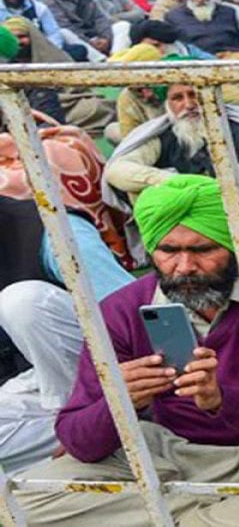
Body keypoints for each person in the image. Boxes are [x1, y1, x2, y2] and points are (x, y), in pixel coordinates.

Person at [14, 176, 239, 524]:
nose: (184, 267)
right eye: (169, 250)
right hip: (166, 452)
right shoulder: (121, 310)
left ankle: (174, 514)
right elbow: (78, 439)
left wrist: (223, 400)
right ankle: (227, 516)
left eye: (203, 249)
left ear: (236, 246)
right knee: (23, 500)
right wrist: (119, 403)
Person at [0, 198, 133, 473]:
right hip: (35, 385)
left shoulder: (49, 229)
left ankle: (88, 428)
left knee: (24, 302)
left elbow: (133, 316)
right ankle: (92, 439)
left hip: (114, 370)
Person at [102, 83, 239, 207]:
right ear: (168, 104)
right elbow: (117, 170)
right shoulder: (162, 136)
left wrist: (222, 183)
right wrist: (181, 184)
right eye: (178, 98)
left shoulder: (237, 126)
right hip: (185, 211)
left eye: (194, 95)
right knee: (140, 191)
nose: (189, 104)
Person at [41, 0, 112, 57]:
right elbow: (64, 25)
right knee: (64, 32)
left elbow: (100, 18)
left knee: (122, 25)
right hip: (76, 38)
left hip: (95, 34)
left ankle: (116, 57)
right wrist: (90, 42)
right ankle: (100, 59)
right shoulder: (49, 0)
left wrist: (106, 38)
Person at [165, 0, 239, 57]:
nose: (200, 0)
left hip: (232, 54)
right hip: (196, 58)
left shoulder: (228, 12)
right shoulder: (174, 16)